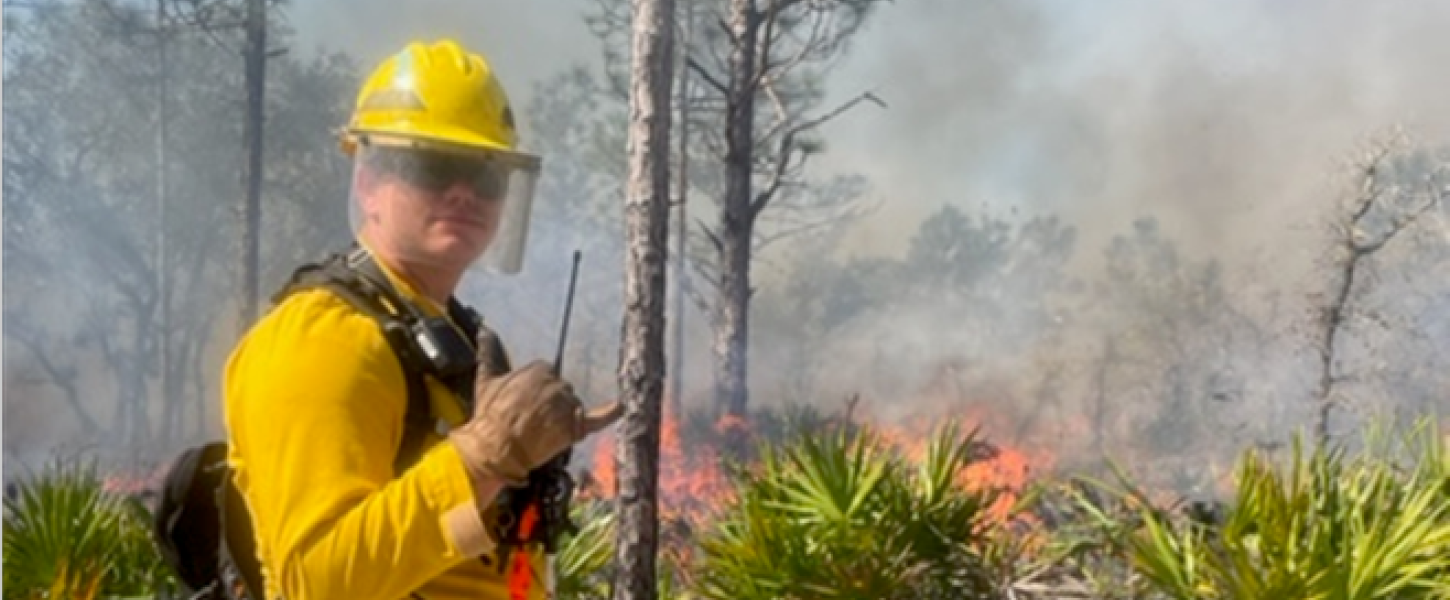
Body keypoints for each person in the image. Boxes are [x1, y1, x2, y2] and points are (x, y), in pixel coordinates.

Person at [222, 39, 620, 600]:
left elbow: (475, 563)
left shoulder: (455, 339)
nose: (463, 193)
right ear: (368, 184)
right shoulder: (323, 340)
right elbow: (316, 581)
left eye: (485, 176)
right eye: (433, 167)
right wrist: (485, 454)